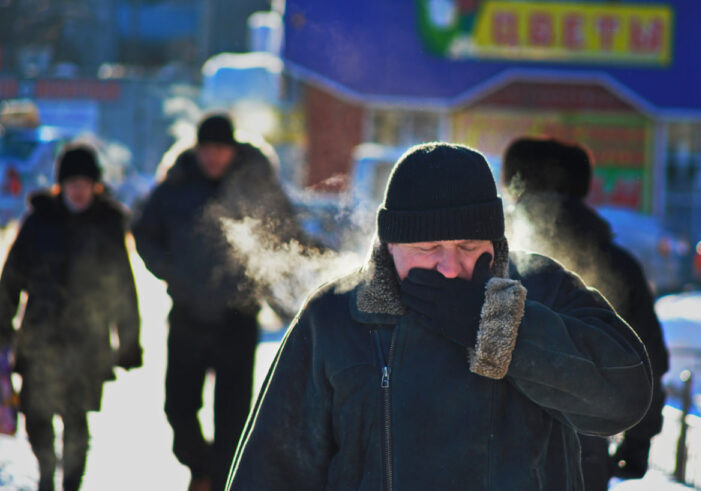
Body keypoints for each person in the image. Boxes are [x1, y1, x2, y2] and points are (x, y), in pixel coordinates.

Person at [227, 142, 653, 490]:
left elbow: (624, 394)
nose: (451, 268)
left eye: (469, 246)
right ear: (391, 244)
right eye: (429, 249)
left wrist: (498, 325)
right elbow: (273, 469)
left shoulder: (541, 287)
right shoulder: (336, 316)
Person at [132, 113, 310, 491]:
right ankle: (203, 469)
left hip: (238, 316)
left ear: (233, 149)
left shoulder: (256, 185)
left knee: (233, 417)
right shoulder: (175, 186)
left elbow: (287, 233)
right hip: (188, 314)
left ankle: (222, 480)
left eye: (220, 149)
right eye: (206, 150)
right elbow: (144, 233)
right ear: (197, 150)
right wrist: (171, 271)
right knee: (178, 408)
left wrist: (275, 276)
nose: (213, 157)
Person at [502, 136, 670, 489]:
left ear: (514, 186)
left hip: (491, 449)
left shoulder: (486, 258)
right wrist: (638, 441)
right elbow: (646, 358)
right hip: (583, 453)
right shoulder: (617, 265)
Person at [0, 144, 142, 491]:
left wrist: (128, 343)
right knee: (36, 414)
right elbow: (12, 279)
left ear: (95, 185)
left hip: (87, 340)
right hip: (39, 335)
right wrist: (3, 327)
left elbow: (123, 287)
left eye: (85, 182)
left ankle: (71, 485)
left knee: (76, 418)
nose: (78, 189)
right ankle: (47, 471)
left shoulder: (108, 224)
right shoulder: (38, 221)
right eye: (72, 182)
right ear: (60, 184)